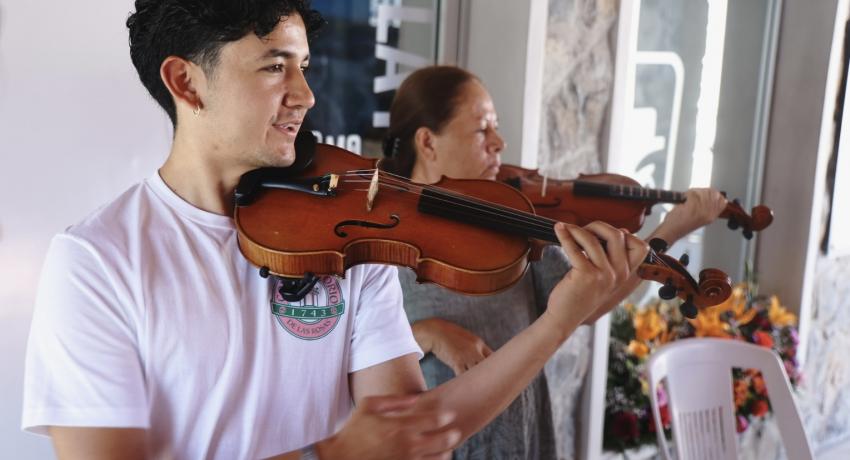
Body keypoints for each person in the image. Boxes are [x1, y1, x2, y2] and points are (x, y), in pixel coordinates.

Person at [21, 2, 649, 459]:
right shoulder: (97, 262)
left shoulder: (346, 231)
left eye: (304, 67)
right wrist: (325, 455)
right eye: (274, 67)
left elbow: (416, 433)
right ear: (186, 81)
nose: (306, 95)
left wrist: (558, 322)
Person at [380, 65, 728, 459]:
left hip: (522, 432)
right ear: (427, 142)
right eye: (482, 130)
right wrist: (426, 333)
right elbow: (347, 353)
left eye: (496, 128)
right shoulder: (378, 233)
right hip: (440, 443)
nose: (499, 142)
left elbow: (588, 304)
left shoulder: (507, 216)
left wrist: (670, 230)